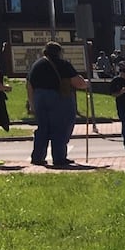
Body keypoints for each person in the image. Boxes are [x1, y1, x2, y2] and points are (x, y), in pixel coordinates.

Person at [26, 41, 88, 169]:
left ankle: (38, 157)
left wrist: (32, 104)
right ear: (59, 52)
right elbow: (77, 82)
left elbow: (29, 85)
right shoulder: (63, 64)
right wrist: (85, 83)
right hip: (59, 99)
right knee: (60, 128)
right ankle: (59, 158)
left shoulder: (37, 65)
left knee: (43, 128)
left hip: (39, 98)